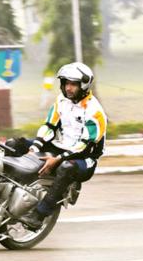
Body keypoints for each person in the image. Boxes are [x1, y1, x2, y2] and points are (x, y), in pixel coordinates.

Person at [20, 62, 108, 229]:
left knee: (66, 167)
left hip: (84, 158)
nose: (68, 88)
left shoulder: (95, 112)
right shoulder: (61, 101)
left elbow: (85, 146)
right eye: (66, 83)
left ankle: (39, 215)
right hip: (61, 146)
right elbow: (49, 126)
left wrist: (58, 159)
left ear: (84, 85)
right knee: (15, 144)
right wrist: (35, 147)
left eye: (73, 84)